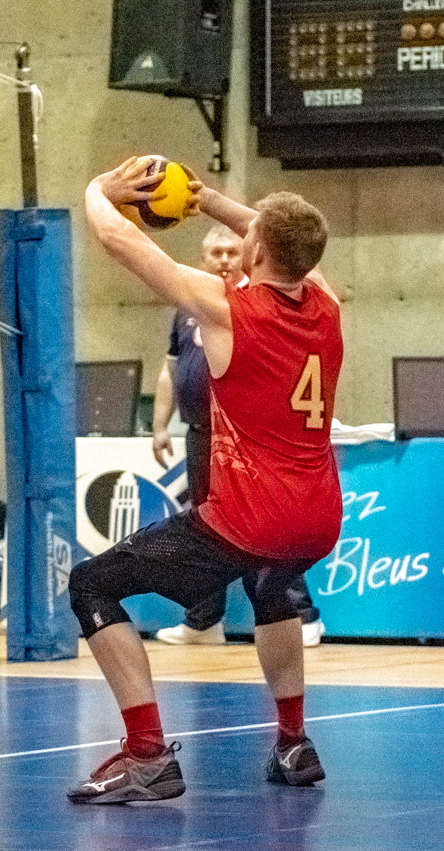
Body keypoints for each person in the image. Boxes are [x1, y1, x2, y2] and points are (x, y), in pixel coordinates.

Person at [68, 157, 341, 803]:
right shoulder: (325, 302)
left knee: (93, 583)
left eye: (247, 238)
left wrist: (96, 191)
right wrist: (208, 200)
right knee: (273, 585)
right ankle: (293, 741)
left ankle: (146, 754)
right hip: (318, 514)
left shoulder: (227, 309)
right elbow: (281, 234)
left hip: (248, 515)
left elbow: (122, 241)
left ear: (258, 251)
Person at [150, 225, 240, 646]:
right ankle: (204, 621)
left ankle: (296, 614)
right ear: (204, 258)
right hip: (199, 432)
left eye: (231, 252)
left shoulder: (250, 303)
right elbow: (170, 370)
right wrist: (159, 424)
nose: (223, 260)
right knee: (205, 525)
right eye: (215, 253)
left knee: (258, 527)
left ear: (247, 256)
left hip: (239, 438)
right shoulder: (186, 309)